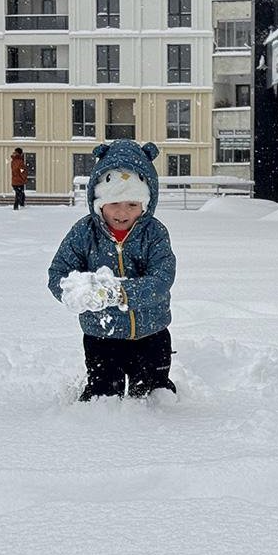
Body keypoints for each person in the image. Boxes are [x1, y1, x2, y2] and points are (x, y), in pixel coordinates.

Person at [47, 139, 177, 400]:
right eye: (114, 203)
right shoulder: (83, 234)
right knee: (103, 393)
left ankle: (159, 422)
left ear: (146, 203)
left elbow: (162, 278)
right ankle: (99, 426)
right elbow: (59, 274)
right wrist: (78, 291)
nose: (122, 212)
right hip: (101, 335)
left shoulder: (154, 233)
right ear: (98, 202)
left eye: (132, 204)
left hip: (151, 333)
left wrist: (120, 293)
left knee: (154, 394)